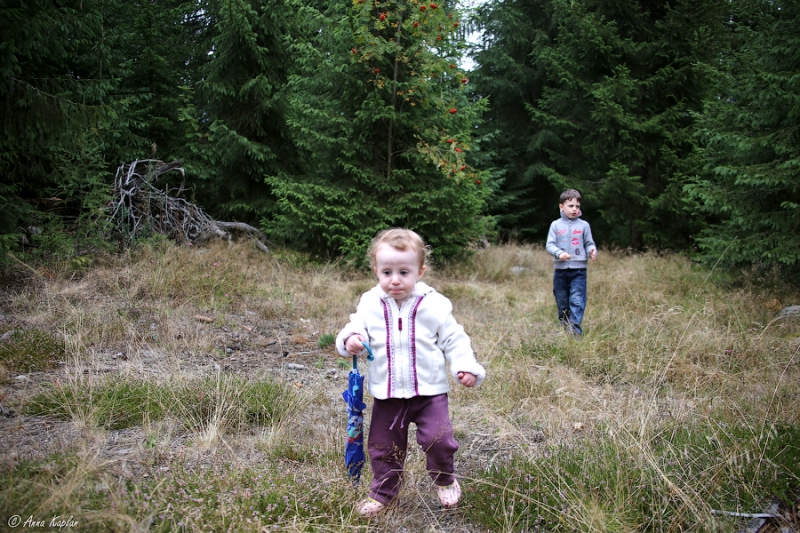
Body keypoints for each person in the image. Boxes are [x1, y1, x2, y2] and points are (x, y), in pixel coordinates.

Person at [336, 228, 486, 517]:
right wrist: (351, 339)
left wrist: (465, 366)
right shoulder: (371, 302)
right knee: (383, 447)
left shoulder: (434, 304)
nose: (395, 280)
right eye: (387, 272)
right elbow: (356, 325)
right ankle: (383, 494)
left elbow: (454, 338)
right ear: (376, 271)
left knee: (439, 439)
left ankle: (444, 479)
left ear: (420, 271)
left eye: (404, 272)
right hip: (388, 393)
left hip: (429, 392)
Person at [545, 189, 598, 335]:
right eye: (571, 206)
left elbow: (589, 243)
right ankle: (565, 326)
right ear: (561, 206)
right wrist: (559, 253)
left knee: (577, 299)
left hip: (579, 270)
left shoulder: (584, 225)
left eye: (577, 206)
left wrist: (592, 250)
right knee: (562, 301)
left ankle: (574, 330)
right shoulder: (555, 225)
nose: (574, 209)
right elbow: (550, 245)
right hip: (561, 271)